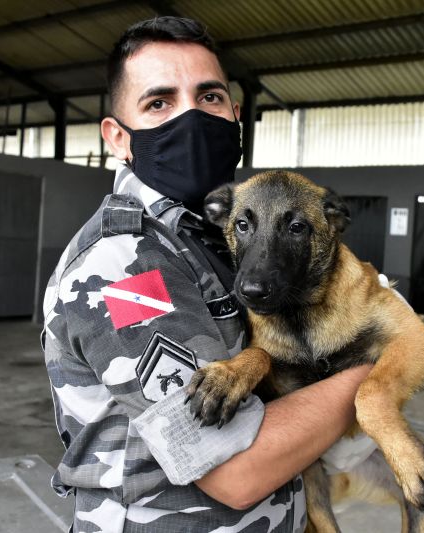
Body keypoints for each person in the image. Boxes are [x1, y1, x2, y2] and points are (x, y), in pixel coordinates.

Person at [42, 16, 371, 533]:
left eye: (209, 97)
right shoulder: (125, 265)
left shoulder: (218, 233)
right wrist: (376, 367)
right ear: (118, 137)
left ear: (236, 117)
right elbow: (234, 471)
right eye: (159, 102)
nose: (191, 118)